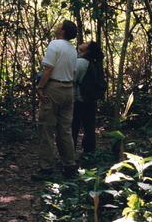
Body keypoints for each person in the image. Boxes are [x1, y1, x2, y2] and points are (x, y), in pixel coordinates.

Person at [32, 20, 78, 180]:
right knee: (65, 130)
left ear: (63, 31)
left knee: (46, 129)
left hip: (54, 89)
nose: (56, 26)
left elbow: (48, 69)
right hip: (68, 89)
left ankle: (46, 168)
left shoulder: (55, 44)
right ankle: (70, 165)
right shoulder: (73, 49)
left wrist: (40, 87)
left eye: (59, 25)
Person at [72, 41, 104, 153]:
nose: (83, 43)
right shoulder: (94, 63)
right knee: (89, 127)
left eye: (86, 43)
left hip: (78, 99)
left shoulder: (81, 62)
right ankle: (89, 153)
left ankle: (70, 153)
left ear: (88, 49)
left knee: (73, 127)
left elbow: (72, 79)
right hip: (90, 99)